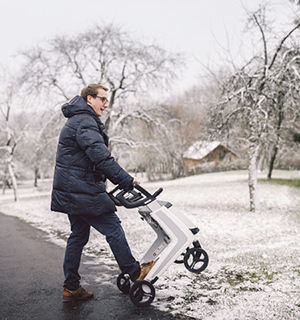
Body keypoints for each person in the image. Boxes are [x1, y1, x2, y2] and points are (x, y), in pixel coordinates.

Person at [51, 84, 156, 300]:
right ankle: (135, 272)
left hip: (74, 190)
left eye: (107, 100)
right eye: (103, 99)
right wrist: (126, 180)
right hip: (82, 190)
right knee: (113, 228)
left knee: (78, 235)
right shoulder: (85, 122)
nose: (106, 105)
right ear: (90, 99)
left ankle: (71, 287)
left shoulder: (78, 120)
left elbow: (93, 159)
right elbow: (101, 157)